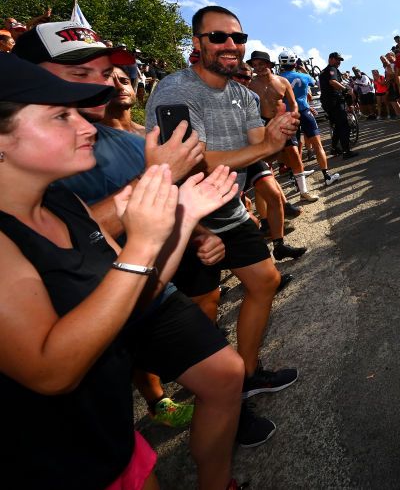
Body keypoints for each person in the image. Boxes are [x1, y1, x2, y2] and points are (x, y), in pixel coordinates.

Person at [0, 53, 243, 489]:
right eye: (60, 117)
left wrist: (183, 221)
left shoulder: (63, 203)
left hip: (111, 441)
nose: (88, 127)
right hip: (54, 465)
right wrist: (144, 243)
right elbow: (52, 372)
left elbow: (136, 297)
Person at [146, 5, 301, 425]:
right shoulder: (175, 91)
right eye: (218, 37)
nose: (230, 45)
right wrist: (265, 147)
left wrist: (274, 136)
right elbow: (190, 163)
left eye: (237, 37)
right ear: (197, 44)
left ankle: (247, 375)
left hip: (227, 208)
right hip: (184, 216)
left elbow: (255, 146)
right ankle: (221, 402)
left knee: (265, 281)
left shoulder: (245, 95)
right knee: (205, 304)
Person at [231, 64, 307, 260]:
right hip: (226, 158)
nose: (244, 81)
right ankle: (251, 248)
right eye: (239, 77)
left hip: (249, 152)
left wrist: (269, 146)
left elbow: (256, 132)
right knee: (238, 210)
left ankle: (279, 245)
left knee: (273, 194)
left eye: (247, 78)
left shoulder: (253, 98)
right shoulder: (216, 96)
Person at [247, 51, 320, 203]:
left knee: (294, 154)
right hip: (262, 124)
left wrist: (293, 118)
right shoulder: (250, 84)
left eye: (261, 64)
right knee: (267, 162)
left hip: (282, 122)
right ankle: (277, 198)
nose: (258, 68)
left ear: (269, 65)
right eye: (254, 65)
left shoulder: (282, 81)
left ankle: (304, 191)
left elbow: (293, 103)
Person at [278, 51, 341, 187]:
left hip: (288, 115)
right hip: (305, 112)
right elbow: (313, 82)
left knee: (294, 148)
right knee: (317, 145)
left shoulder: (276, 79)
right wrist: (303, 69)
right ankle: (326, 176)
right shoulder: (304, 76)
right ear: (295, 63)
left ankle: (295, 178)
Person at [318, 51, 358, 158]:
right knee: (344, 125)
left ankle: (334, 148)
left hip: (327, 103)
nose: (339, 62)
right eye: (337, 60)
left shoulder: (324, 71)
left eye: (340, 60)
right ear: (330, 59)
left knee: (337, 126)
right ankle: (346, 151)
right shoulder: (331, 69)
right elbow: (333, 82)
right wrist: (346, 90)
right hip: (334, 102)